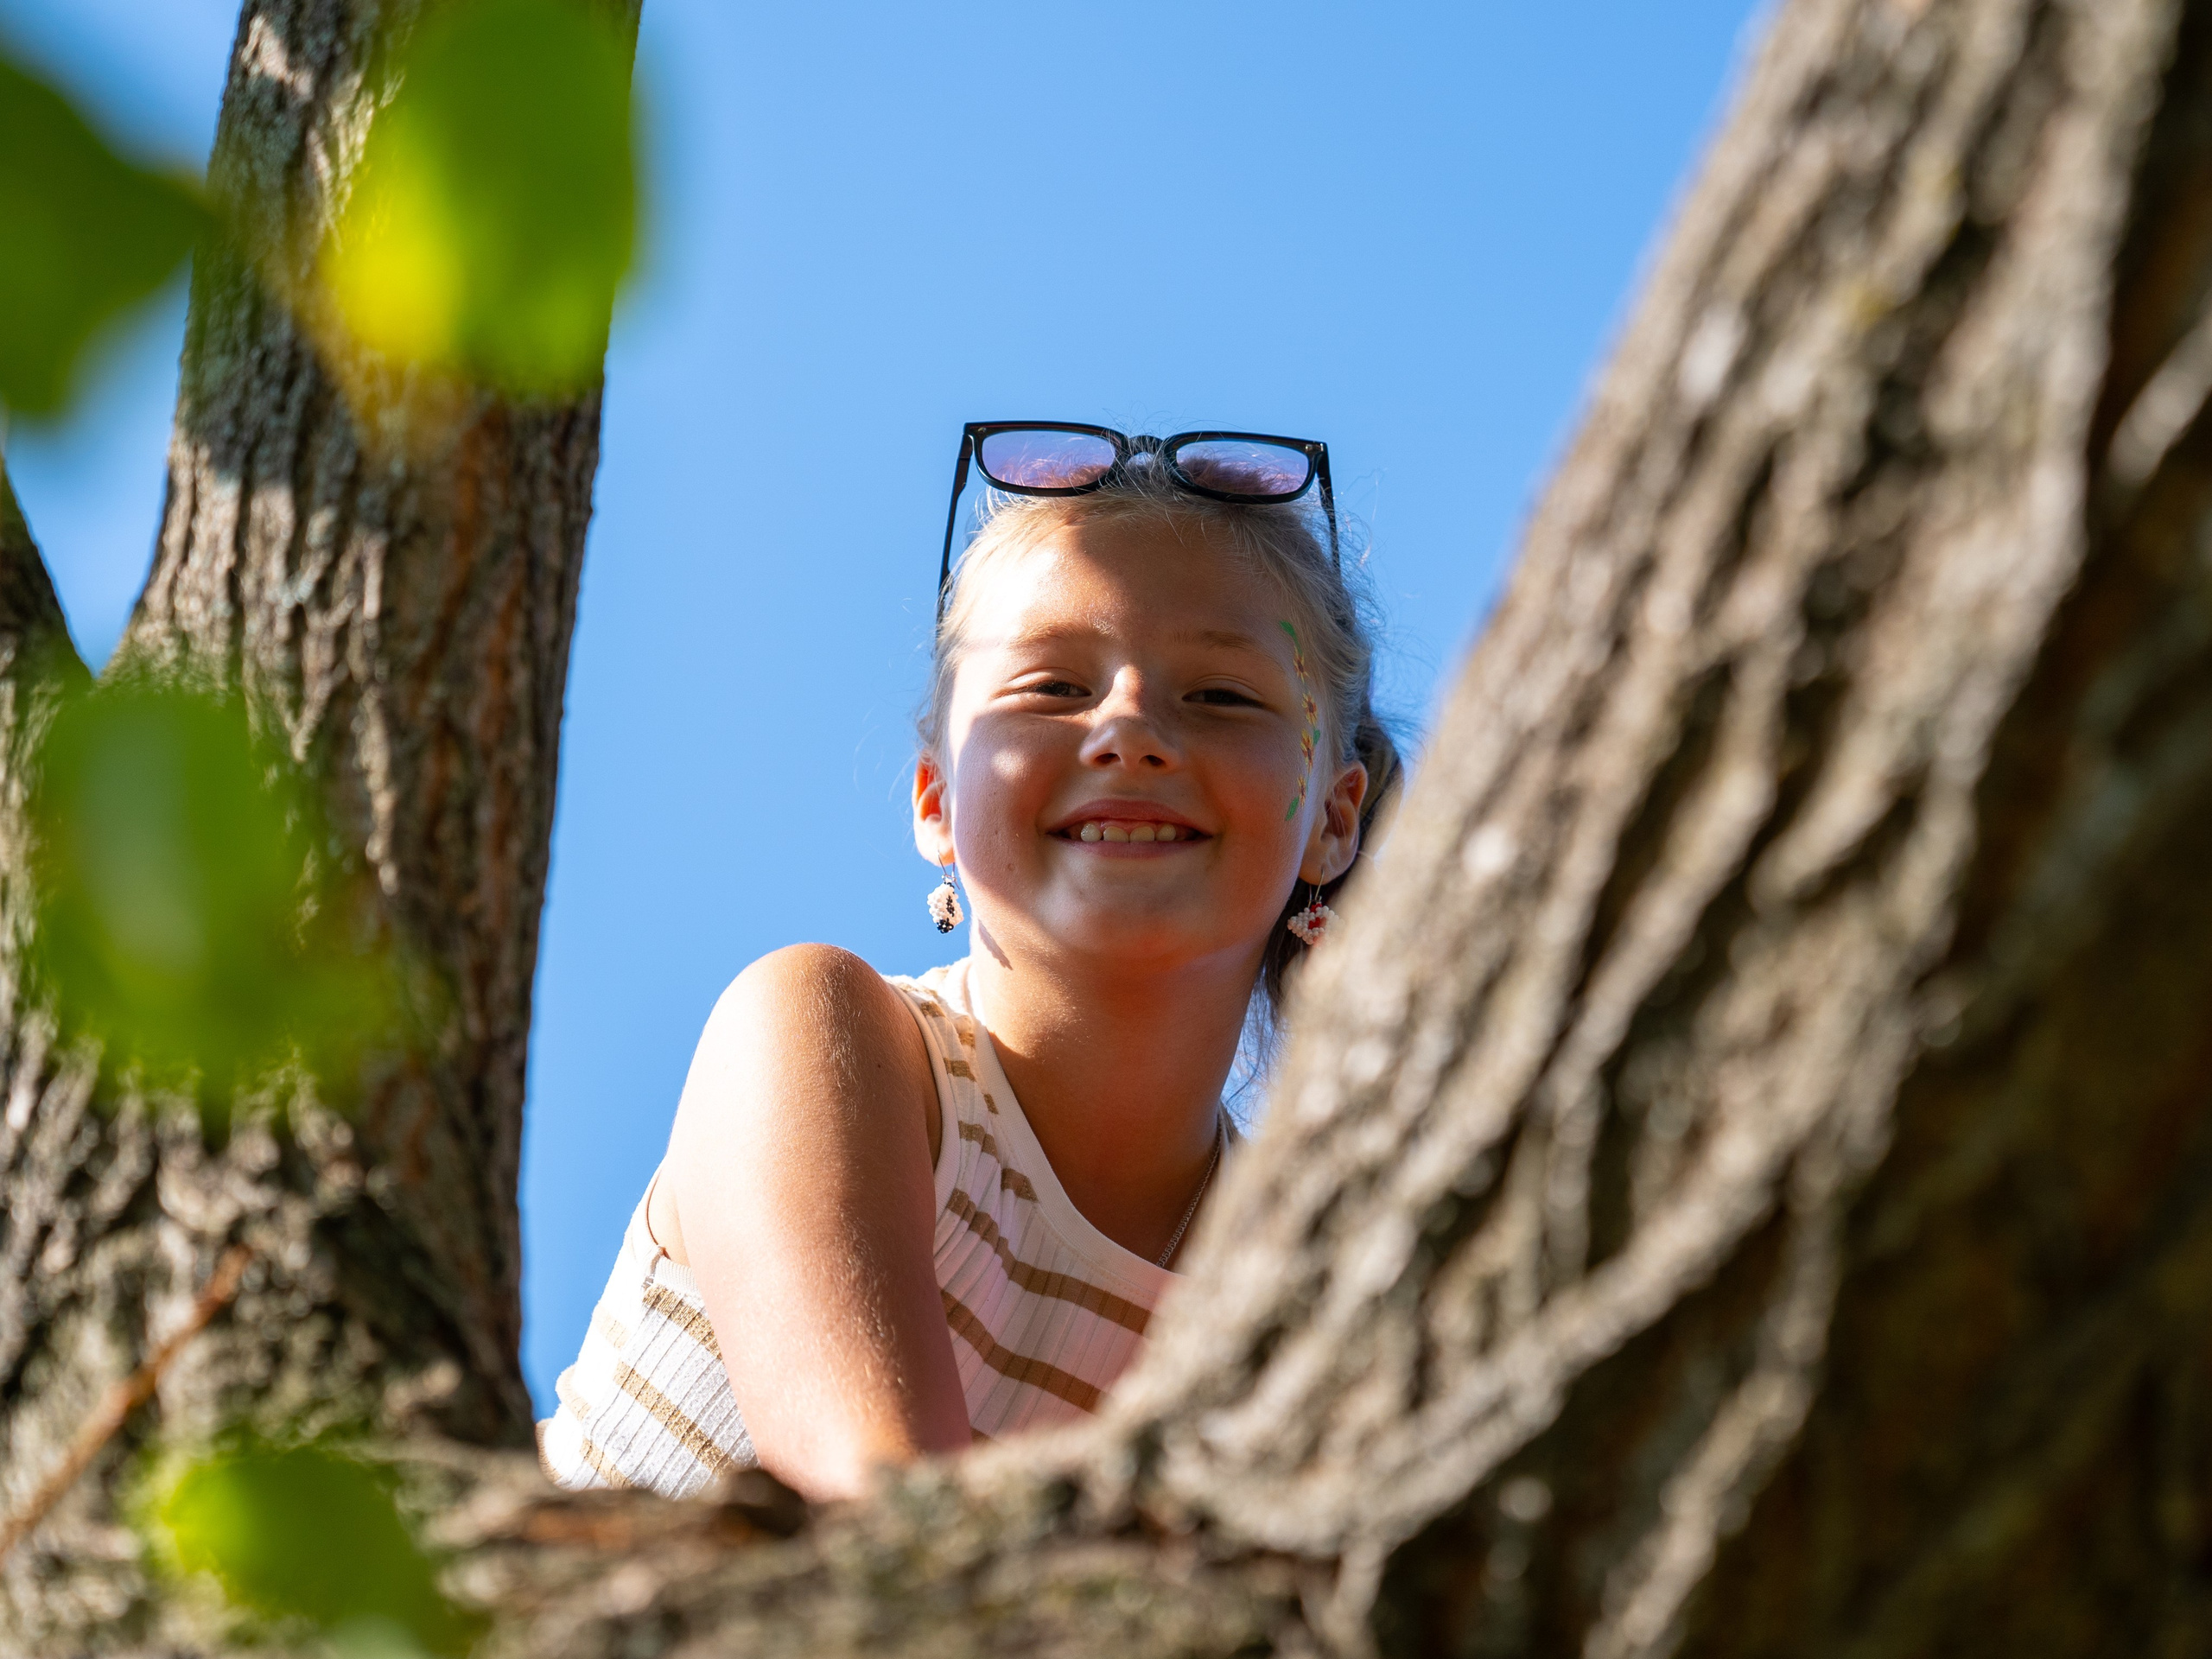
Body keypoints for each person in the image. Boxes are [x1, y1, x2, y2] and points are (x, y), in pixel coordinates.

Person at [539, 424, 1401, 1502]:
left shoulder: (1296, 1290)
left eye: (1222, 696)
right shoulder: (824, 1042)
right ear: (935, 800)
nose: (1130, 731)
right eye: (1051, 688)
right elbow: (893, 1529)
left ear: (1334, 818)